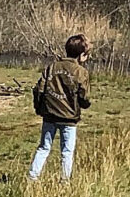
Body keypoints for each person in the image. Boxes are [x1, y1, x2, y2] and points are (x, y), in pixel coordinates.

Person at [29, 34, 92, 180]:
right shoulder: (81, 72)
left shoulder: (51, 67)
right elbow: (84, 97)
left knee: (44, 148)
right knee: (67, 152)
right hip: (69, 119)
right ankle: (64, 181)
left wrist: (39, 109)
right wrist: (84, 105)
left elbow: (39, 90)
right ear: (82, 55)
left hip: (49, 116)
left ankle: (32, 177)